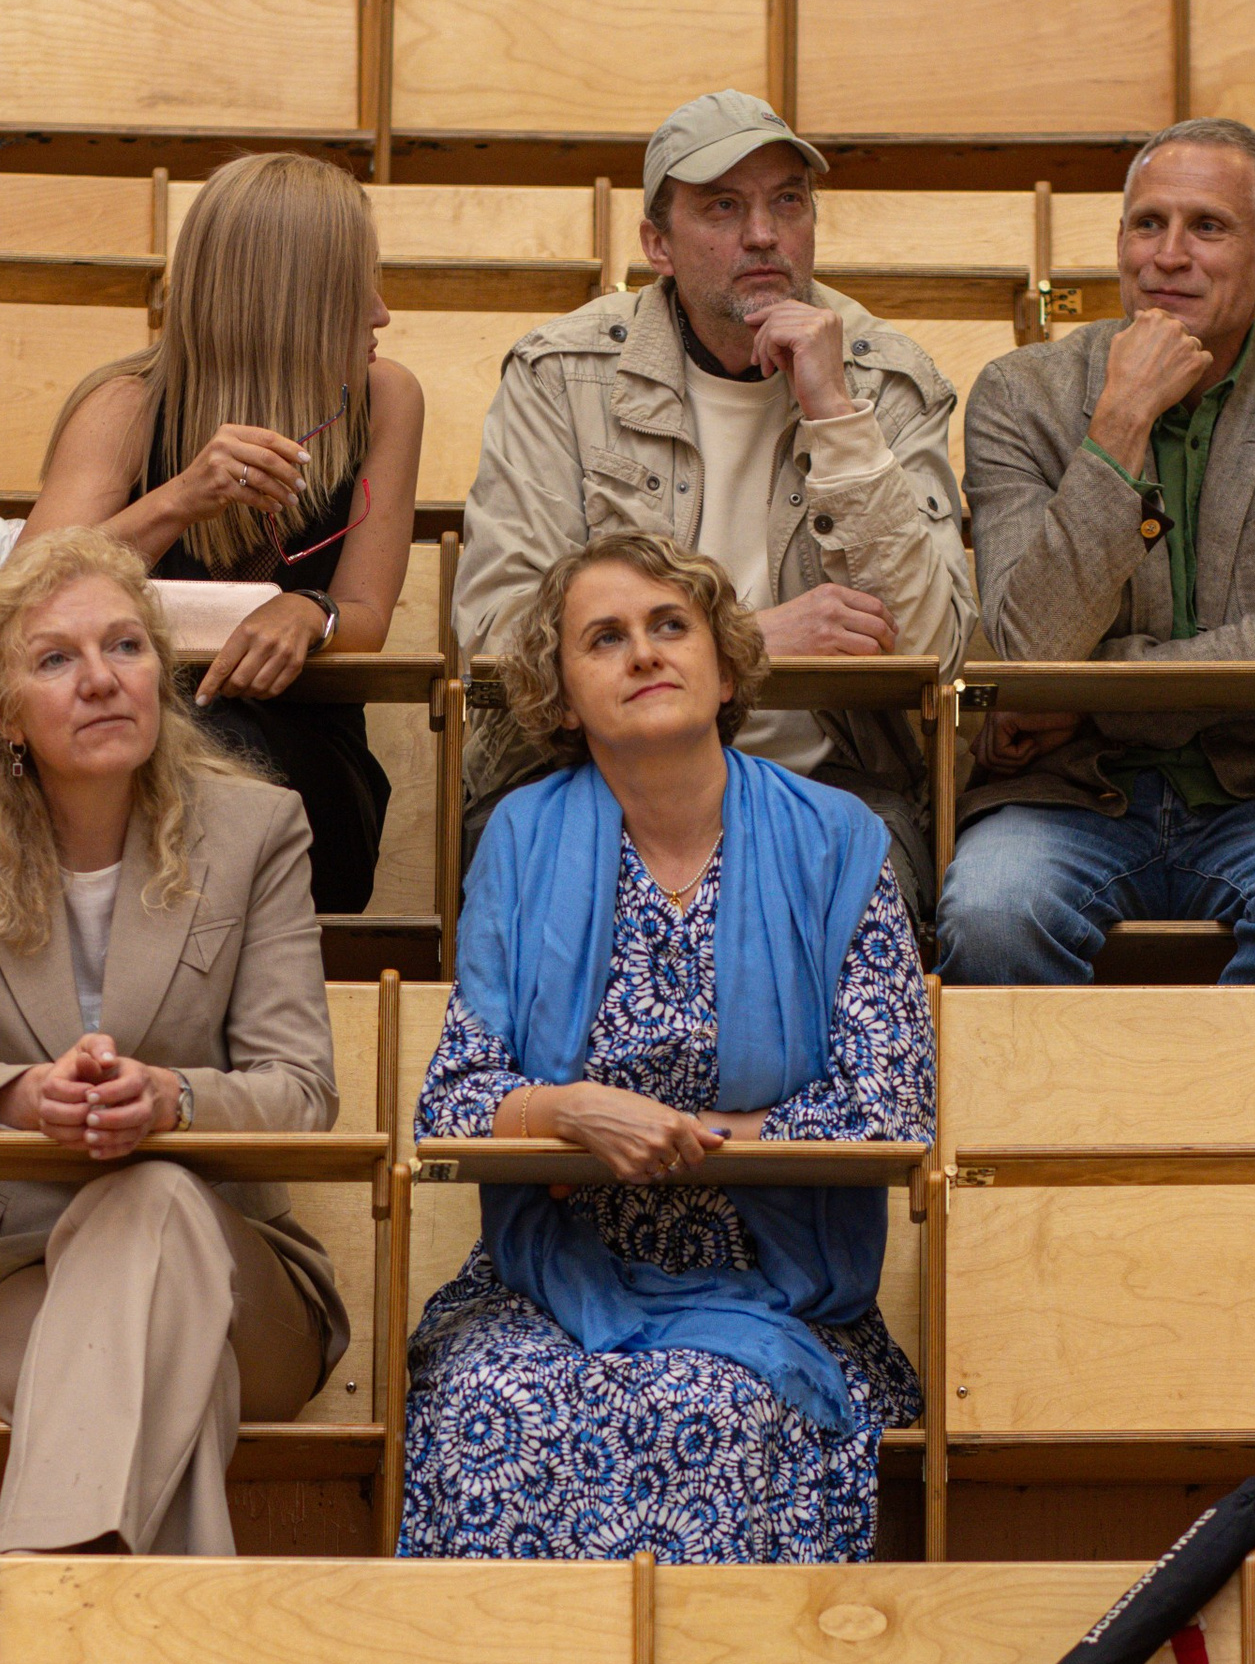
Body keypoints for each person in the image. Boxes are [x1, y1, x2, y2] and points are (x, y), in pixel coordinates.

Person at [0, 528, 347, 1664]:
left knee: (157, 1198)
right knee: (156, 1376)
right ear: (2, 706)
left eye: (125, 647)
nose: (103, 677)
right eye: (57, 658)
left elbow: (300, 1091)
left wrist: (169, 1102)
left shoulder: (256, 827)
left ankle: (4, 1615)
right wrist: (21, 1098)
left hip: (240, 1281)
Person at [396, 536, 931, 1567]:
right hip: (554, 1278)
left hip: (775, 1283)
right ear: (560, 699)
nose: (643, 653)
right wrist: (567, 1113)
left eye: (668, 626)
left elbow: (890, 1106)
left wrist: (699, 1137)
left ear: (725, 669)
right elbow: (453, 1102)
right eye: (605, 638)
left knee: (715, 1403)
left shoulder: (838, 838)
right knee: (481, 1404)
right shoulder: (519, 836)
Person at [454, 91, 972, 914]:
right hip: (590, 773)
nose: (763, 233)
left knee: (849, 901)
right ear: (657, 244)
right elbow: (497, 634)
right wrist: (745, 646)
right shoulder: (562, 376)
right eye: (723, 207)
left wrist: (838, 418)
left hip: (832, 781)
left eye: (786, 202)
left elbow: (936, 651)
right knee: (556, 898)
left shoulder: (887, 381)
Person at [940, 118, 1255, 986]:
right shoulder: (1021, 395)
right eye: (1147, 225)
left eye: (1207, 227)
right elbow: (1030, 650)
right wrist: (1120, 422)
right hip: (1069, 794)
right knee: (991, 913)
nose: (1167, 256)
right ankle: (1066, 1125)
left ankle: (1245, 1118)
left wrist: (1092, 697)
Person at [24, 151, 421, 915]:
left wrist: (310, 612)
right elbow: (25, 598)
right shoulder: (128, 405)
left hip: (305, 749)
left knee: (227, 790)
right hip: (135, 730)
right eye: (355, 288)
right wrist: (179, 499)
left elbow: (365, 613)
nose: (381, 313)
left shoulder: (386, 398)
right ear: (287, 300)